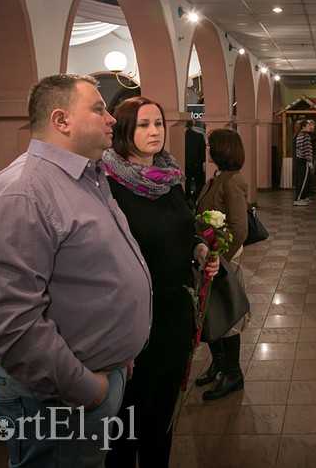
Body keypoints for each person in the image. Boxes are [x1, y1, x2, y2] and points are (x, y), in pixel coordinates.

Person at [0, 74, 152, 467]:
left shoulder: (86, 177)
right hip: (59, 398)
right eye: (99, 109)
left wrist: (118, 349)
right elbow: (9, 323)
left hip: (101, 375)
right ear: (61, 120)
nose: (111, 120)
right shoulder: (22, 192)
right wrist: (86, 388)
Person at [101, 97, 219, 467]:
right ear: (123, 131)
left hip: (175, 316)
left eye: (158, 123)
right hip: (134, 320)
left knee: (162, 423)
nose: (154, 131)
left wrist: (199, 250)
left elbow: (184, 231)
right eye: (143, 125)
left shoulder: (170, 180)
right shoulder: (108, 187)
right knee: (127, 426)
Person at [194, 128, 250, 400]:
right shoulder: (217, 178)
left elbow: (239, 229)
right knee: (211, 312)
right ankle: (218, 364)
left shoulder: (232, 181)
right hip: (211, 258)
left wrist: (219, 259)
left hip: (224, 259)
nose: (207, 148)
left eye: (211, 144)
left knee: (227, 315)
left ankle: (232, 373)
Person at [183, 119, 206, 202]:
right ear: (193, 124)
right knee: (201, 184)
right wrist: (201, 161)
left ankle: (187, 203)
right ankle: (192, 199)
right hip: (196, 164)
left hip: (184, 164)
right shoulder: (198, 136)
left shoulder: (182, 137)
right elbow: (203, 151)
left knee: (186, 186)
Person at [293, 120, 313, 205]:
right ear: (304, 127)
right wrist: (309, 161)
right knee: (303, 179)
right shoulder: (306, 136)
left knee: (303, 178)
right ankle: (298, 199)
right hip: (303, 160)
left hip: (299, 159)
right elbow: (307, 150)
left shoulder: (299, 135)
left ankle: (303, 197)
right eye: (308, 125)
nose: (310, 127)